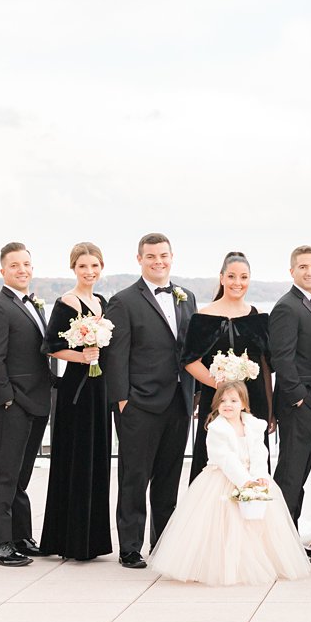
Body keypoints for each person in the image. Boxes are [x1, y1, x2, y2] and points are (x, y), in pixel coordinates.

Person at [150, 382, 311, 586]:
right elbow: (224, 458)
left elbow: (259, 452)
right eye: (223, 401)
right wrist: (245, 481)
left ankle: (258, 562)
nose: (228, 405)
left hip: (252, 477)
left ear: (244, 404)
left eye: (234, 401)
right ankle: (219, 565)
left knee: (255, 523)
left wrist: (260, 475)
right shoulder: (217, 428)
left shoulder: (253, 425)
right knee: (223, 525)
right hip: (224, 479)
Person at [104, 232, 198, 569]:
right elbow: (116, 356)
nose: (158, 261)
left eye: (164, 255)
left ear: (172, 257)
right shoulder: (124, 301)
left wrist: (195, 393)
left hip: (179, 400)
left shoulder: (186, 297)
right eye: (151, 256)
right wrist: (122, 400)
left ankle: (163, 542)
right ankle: (130, 546)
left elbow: (190, 350)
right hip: (139, 404)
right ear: (139, 259)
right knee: (134, 476)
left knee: (169, 476)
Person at [0, 242, 55, 567]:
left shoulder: (33, 305)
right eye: (14, 265)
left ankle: (21, 536)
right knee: (5, 475)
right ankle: (0, 544)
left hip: (37, 402)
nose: (22, 270)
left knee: (22, 476)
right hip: (13, 405)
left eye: (26, 264)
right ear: (3, 271)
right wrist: (6, 399)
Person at [39, 242, 114, 562]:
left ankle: (92, 540)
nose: (89, 272)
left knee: (97, 460)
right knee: (75, 460)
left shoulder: (102, 302)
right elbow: (50, 346)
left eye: (94, 266)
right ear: (73, 268)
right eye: (83, 266)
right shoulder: (66, 303)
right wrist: (82, 357)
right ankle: (69, 539)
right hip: (76, 390)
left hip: (99, 390)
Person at [183, 252, 272, 481]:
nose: (237, 283)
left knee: (254, 460)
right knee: (214, 460)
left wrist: (271, 411)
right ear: (221, 278)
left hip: (253, 400)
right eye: (232, 276)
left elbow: (266, 365)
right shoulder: (203, 316)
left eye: (243, 277)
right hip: (216, 398)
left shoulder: (259, 317)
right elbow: (190, 362)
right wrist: (218, 383)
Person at [269, 245, 311, 538]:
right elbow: (282, 357)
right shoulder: (286, 307)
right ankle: (279, 537)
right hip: (299, 403)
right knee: (290, 473)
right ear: (292, 271)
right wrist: (299, 397)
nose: (310, 272)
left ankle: (289, 532)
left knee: (301, 471)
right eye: (303, 267)